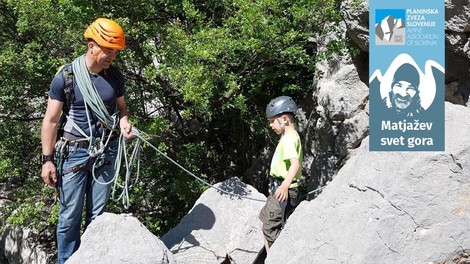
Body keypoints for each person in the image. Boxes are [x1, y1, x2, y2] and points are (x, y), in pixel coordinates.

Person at [40, 18, 134, 264]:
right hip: (74, 153)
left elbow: (122, 109)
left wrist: (124, 123)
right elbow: (50, 120)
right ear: (91, 45)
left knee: (98, 216)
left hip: (105, 151)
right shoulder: (66, 77)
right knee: (70, 216)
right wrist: (47, 161)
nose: (112, 56)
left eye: (115, 51)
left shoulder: (115, 78)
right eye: (107, 49)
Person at [259, 95, 302, 252]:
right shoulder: (288, 136)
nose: (270, 125)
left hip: (285, 190)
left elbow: (295, 164)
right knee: (264, 220)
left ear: (284, 119)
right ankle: (271, 257)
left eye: (272, 121)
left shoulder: (290, 138)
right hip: (279, 188)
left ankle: (282, 255)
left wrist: (284, 186)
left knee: (270, 228)